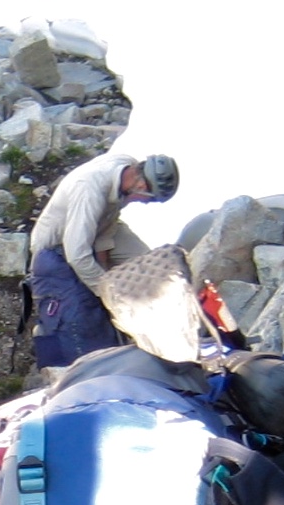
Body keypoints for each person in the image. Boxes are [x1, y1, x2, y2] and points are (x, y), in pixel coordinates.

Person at [28, 151, 179, 370]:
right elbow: (77, 254)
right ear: (141, 185)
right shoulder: (89, 190)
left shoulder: (126, 166)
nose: (146, 204)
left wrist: (106, 268)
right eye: (149, 198)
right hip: (56, 252)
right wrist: (107, 294)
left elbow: (105, 225)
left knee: (150, 265)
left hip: (97, 231)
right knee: (83, 315)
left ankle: (158, 328)